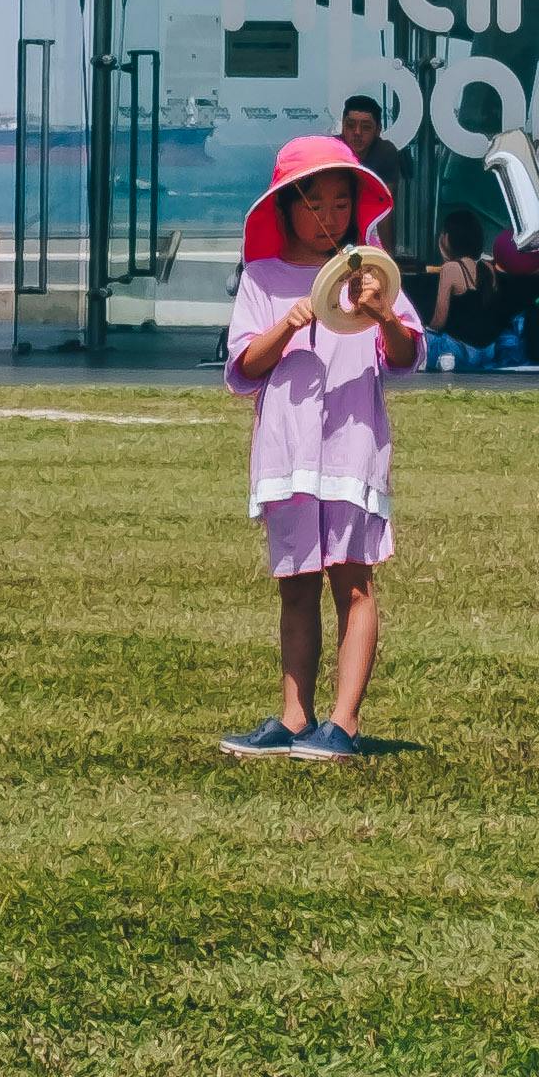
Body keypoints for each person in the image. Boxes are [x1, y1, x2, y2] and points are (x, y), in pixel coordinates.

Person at [221, 133, 425, 757]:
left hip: (351, 452)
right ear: (285, 207)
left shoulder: (368, 278)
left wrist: (382, 313)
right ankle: (294, 717)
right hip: (287, 456)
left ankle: (345, 723)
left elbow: (408, 353)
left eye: (341, 203)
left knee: (354, 582)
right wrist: (285, 326)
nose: (329, 217)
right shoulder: (262, 278)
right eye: (314, 203)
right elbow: (242, 369)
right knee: (296, 583)